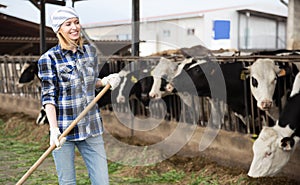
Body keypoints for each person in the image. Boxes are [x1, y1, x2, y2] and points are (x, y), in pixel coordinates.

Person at [37, 6, 120, 185]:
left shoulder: (89, 52)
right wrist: (53, 129)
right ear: (59, 29)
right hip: (64, 130)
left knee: (102, 181)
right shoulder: (49, 59)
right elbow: (48, 96)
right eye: (68, 24)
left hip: (91, 126)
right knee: (67, 182)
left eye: (76, 22)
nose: (74, 27)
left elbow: (89, 82)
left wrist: (104, 81)